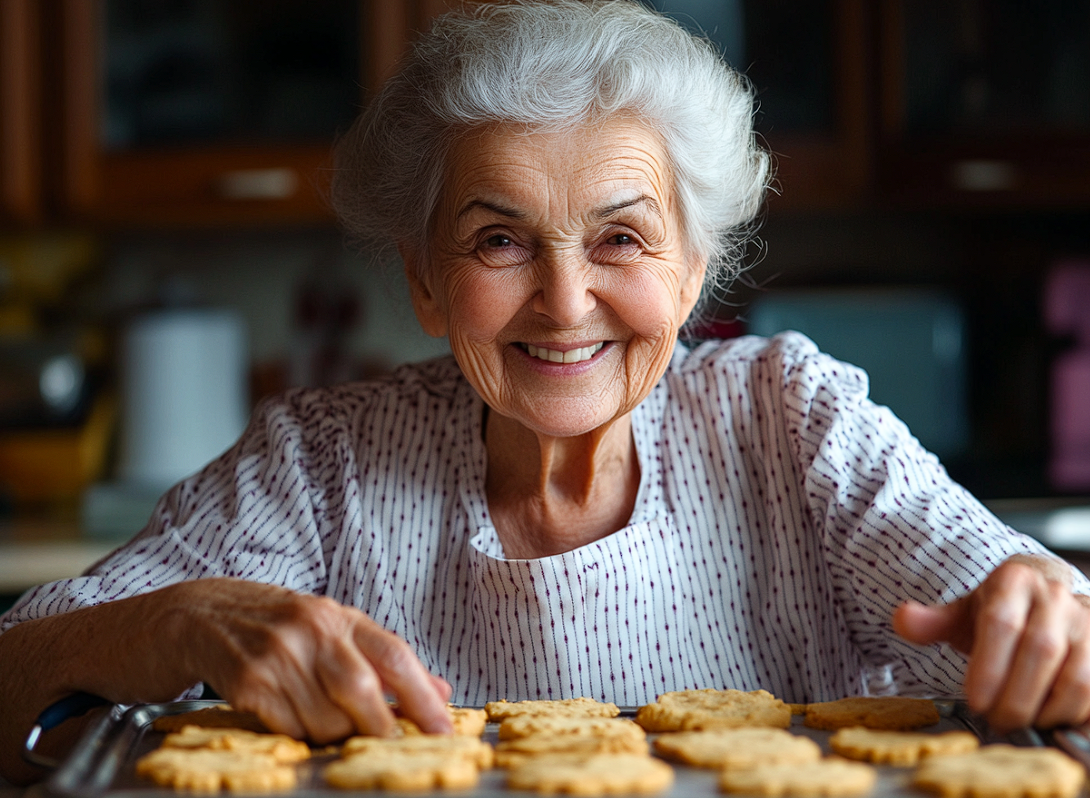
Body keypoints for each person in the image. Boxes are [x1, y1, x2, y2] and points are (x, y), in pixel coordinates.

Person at [2, 0, 1090, 785]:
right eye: (497, 240)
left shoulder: (785, 420)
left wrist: (1051, 622)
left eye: (621, 236)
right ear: (425, 281)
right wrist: (185, 622)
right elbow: (18, 671)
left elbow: (1030, 614)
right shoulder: (322, 464)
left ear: (691, 271)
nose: (565, 302)